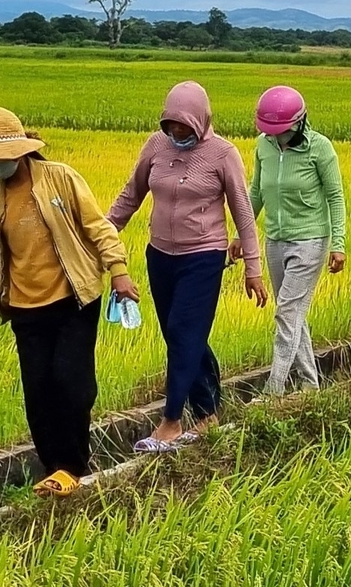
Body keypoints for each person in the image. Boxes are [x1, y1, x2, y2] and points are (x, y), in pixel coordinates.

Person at [0, 107, 139, 497]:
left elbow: (98, 228)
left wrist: (118, 270)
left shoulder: (60, 178)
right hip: (25, 309)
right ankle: (53, 468)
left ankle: (72, 467)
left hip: (73, 299)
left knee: (72, 383)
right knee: (38, 392)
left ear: (17, 151)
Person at [108, 81, 268, 452]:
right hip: (160, 255)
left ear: (201, 120)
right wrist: (102, 233)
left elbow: (243, 213)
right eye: (172, 126)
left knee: (183, 331)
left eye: (185, 127)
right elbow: (131, 195)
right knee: (181, 335)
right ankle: (208, 413)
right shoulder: (155, 146)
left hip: (203, 256)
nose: (178, 134)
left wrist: (253, 267)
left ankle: (171, 421)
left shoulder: (222, 154)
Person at [247, 85, 345, 395]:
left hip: (310, 241)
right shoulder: (263, 147)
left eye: (282, 130)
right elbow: (256, 192)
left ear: (299, 122)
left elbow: (335, 196)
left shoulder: (320, 148)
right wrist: (241, 233)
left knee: (286, 313)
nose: (277, 136)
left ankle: (273, 391)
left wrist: (339, 244)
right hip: (275, 240)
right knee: (293, 315)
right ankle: (310, 385)